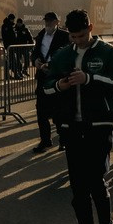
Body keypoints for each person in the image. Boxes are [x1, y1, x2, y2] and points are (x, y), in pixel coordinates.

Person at [43, 9, 113, 224]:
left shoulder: (109, 52)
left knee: (95, 180)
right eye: (73, 37)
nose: (78, 41)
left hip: (99, 125)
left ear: (90, 27)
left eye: (81, 36)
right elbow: (47, 85)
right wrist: (60, 84)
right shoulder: (63, 55)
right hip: (71, 127)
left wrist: (89, 78)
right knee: (78, 187)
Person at [32, 11, 70, 153]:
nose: (47, 23)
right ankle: (45, 140)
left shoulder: (64, 36)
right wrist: (35, 61)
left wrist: (54, 66)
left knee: (59, 111)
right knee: (41, 111)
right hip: (43, 76)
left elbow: (67, 55)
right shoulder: (41, 35)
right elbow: (35, 52)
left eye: (50, 21)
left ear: (56, 22)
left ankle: (63, 139)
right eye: (46, 21)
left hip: (57, 77)